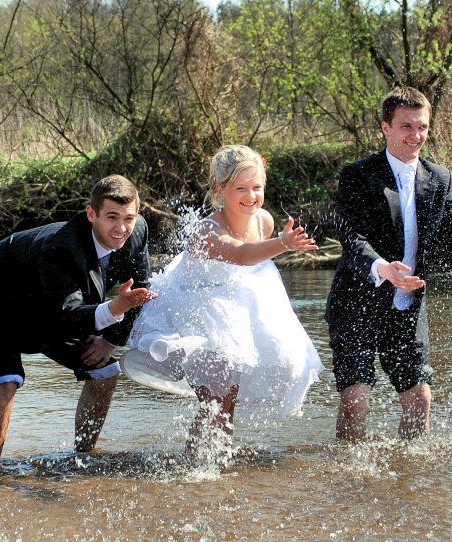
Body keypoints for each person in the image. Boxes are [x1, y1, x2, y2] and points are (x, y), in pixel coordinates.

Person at [325, 86, 452, 441]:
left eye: (422, 127)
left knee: (419, 398)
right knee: (355, 400)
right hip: (356, 304)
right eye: (407, 127)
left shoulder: (439, 178)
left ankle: (411, 477)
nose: (416, 136)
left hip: (407, 307)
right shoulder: (358, 176)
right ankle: (346, 476)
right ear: (386, 127)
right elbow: (351, 237)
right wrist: (383, 267)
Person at [122, 144, 324, 451]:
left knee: (228, 400)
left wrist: (278, 240)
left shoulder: (263, 220)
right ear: (220, 189)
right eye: (241, 188)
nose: (251, 196)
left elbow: (251, 262)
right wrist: (283, 244)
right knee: (216, 399)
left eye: (257, 187)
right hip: (195, 315)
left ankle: (218, 464)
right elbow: (242, 255)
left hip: (235, 312)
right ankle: (197, 467)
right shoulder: (206, 232)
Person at [0, 175, 156, 466]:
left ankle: (84, 459)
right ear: (91, 213)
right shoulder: (62, 247)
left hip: (55, 304)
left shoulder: (137, 230)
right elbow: (68, 318)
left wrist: (110, 340)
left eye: (128, 218)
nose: (121, 228)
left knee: (105, 371)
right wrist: (114, 307)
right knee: (6, 381)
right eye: (111, 217)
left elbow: (140, 287)